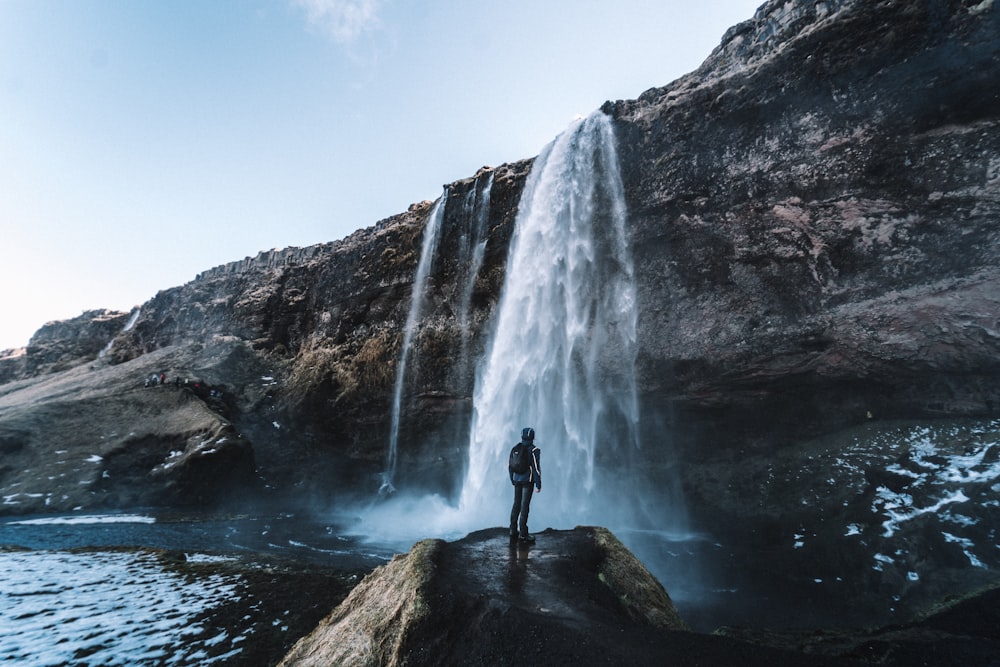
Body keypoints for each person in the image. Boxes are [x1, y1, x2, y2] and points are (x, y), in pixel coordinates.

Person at [509, 426, 541, 543]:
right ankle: (523, 534)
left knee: (516, 504)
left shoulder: (515, 448)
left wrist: (512, 480)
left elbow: (510, 466)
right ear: (532, 437)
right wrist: (538, 484)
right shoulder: (534, 450)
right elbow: (536, 468)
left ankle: (512, 530)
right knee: (524, 506)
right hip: (527, 481)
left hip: (517, 480)